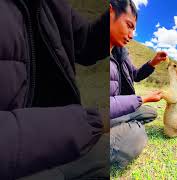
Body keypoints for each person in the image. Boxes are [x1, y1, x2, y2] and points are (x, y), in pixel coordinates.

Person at [0, 0, 108, 179]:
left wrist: (111, 18)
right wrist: (89, 123)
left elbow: (86, 42)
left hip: (65, 136)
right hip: (20, 162)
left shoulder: (51, 4)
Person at [109, 0, 167, 168]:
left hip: (120, 107)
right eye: (129, 25)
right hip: (100, 117)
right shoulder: (90, 51)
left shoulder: (121, 52)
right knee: (137, 134)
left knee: (150, 113)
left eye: (133, 29)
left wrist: (153, 62)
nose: (132, 34)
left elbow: (135, 75)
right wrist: (143, 98)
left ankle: (124, 125)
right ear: (110, 12)